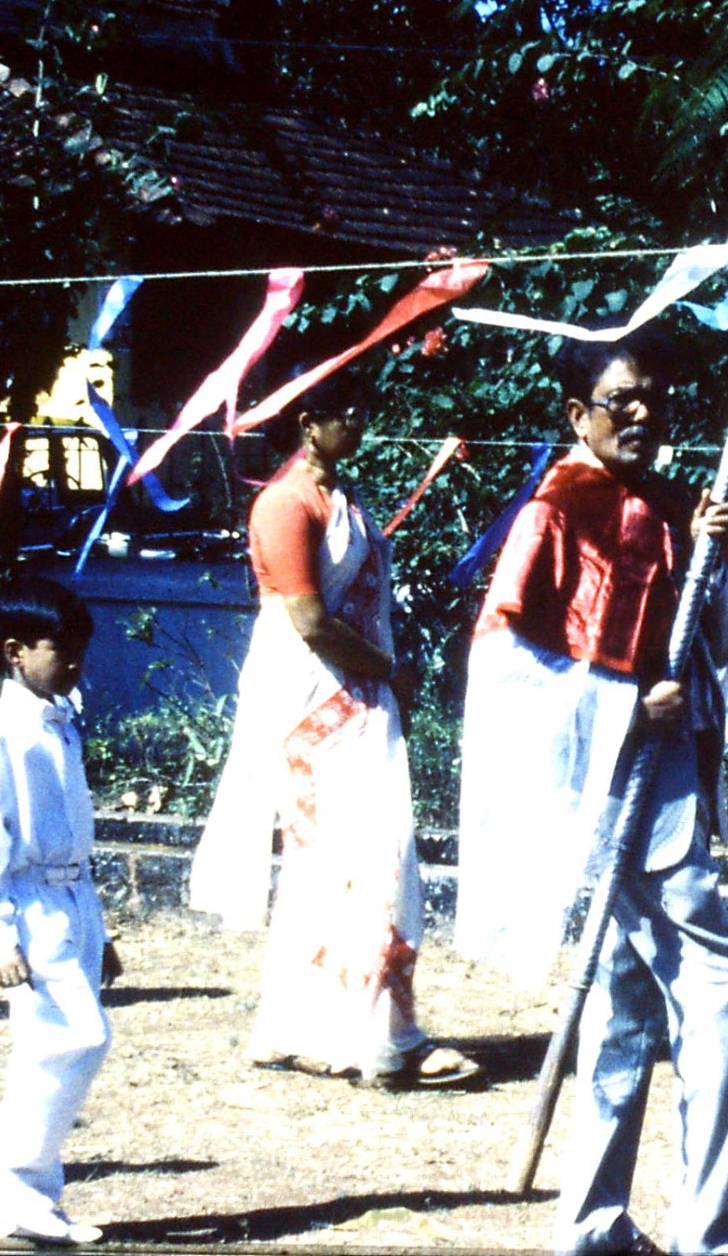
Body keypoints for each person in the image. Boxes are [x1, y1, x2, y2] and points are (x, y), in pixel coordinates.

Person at [455, 324, 728, 1256]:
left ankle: (595, 1225)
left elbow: (727, 638)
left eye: (652, 397)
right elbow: (502, 662)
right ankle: (711, 1231)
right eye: (619, 399)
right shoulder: (553, 511)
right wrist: (627, 704)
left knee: (627, 1007)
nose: (640, 413)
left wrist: (714, 555)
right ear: (576, 412)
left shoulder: (672, 504)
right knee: (718, 994)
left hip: (670, 772)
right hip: (611, 776)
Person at [189, 369, 478, 1088]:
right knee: (364, 860)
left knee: (343, 863)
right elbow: (311, 622)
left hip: (359, 690)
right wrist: (388, 667)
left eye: (364, 408)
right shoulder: (286, 505)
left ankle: (300, 1026)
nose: (359, 422)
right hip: (313, 700)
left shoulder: (339, 498)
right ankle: (386, 1035)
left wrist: (382, 674)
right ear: (308, 421)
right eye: (346, 411)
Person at [0, 576, 112, 1244]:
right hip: (30, 903)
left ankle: (33, 1197)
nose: (74, 663)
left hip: (74, 897)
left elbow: (76, 824)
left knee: (54, 1043)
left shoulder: (63, 717)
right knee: (75, 1036)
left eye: (81, 649)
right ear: (15, 650)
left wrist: (100, 926)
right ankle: (9, 1167)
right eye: (62, 649)